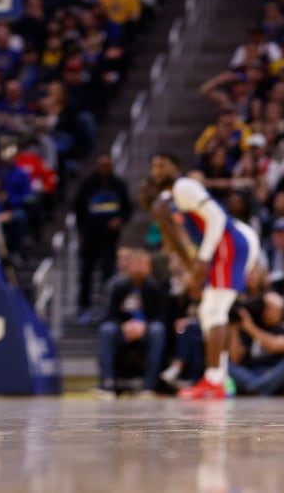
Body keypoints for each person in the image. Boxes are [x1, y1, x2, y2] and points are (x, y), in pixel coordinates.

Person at [147, 153, 263, 400]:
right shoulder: (172, 199)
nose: (156, 170)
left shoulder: (183, 185)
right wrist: (194, 268)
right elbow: (177, 237)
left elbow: (218, 218)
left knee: (214, 312)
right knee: (208, 313)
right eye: (153, 166)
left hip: (226, 245)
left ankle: (214, 380)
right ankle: (219, 379)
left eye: (161, 164)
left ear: (175, 167)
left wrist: (202, 260)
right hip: (224, 247)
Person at [96, 247, 169, 398]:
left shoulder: (155, 287)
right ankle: (107, 384)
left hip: (146, 330)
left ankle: (149, 385)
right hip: (122, 329)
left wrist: (144, 326)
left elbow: (162, 316)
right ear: (130, 265)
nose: (141, 268)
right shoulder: (117, 286)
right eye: (138, 263)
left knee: (158, 330)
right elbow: (107, 315)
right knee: (106, 330)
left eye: (145, 264)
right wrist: (124, 326)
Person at [74, 155, 132, 318]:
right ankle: (84, 307)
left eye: (108, 165)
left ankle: (107, 308)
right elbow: (78, 209)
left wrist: (120, 219)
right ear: (97, 166)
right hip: (90, 236)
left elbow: (127, 208)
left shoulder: (118, 185)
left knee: (108, 273)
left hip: (109, 237)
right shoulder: (88, 184)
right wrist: (82, 231)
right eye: (102, 165)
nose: (105, 168)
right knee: (86, 273)